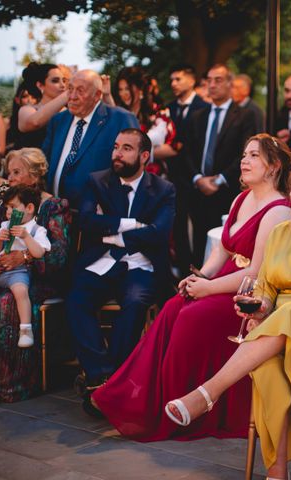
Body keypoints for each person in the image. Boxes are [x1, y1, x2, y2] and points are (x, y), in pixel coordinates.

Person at [163, 158, 291, 480]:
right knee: (268, 367)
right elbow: (266, 285)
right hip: (283, 325)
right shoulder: (281, 232)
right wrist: (261, 306)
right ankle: (277, 473)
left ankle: (208, 392)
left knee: (289, 314)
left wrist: (274, 319)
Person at [91, 134, 291, 440]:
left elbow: (256, 271)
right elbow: (222, 251)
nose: (244, 160)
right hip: (223, 280)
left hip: (248, 295)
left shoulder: (278, 210)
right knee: (173, 307)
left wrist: (209, 289)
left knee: (190, 317)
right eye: (244, 154)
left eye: (254, 155)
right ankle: (147, 401)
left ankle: (186, 411)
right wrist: (200, 276)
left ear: (274, 166)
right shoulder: (241, 198)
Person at [66, 129, 175, 414]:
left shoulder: (164, 189)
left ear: (144, 156)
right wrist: (134, 226)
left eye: (126, 148)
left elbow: (159, 234)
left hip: (141, 263)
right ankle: (101, 376)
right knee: (77, 300)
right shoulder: (97, 181)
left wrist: (112, 229)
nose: (117, 153)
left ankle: (112, 379)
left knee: (135, 303)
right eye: (116, 147)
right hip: (104, 259)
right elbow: (87, 222)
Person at [0, 148, 71, 402]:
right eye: (9, 173)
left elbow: (58, 257)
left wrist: (24, 258)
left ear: (35, 175)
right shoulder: (6, 206)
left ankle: (13, 383)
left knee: (9, 300)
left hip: (42, 278)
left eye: (17, 172)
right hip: (6, 274)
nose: (11, 178)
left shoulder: (52, 206)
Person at [183, 64, 256, 266]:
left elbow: (245, 152)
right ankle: (195, 285)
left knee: (226, 247)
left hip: (227, 190)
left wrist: (219, 179)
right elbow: (187, 151)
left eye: (218, 80)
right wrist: (198, 178)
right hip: (199, 191)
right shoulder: (198, 115)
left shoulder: (244, 115)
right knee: (198, 244)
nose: (212, 85)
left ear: (230, 84)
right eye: (209, 80)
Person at [43, 70, 140, 208]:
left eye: (80, 91)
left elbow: (134, 167)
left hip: (97, 217)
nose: (72, 96)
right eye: (70, 89)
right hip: (54, 214)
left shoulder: (120, 119)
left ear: (97, 95)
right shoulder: (58, 120)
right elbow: (44, 162)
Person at [165, 64, 209, 275]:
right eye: (172, 80)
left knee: (200, 224)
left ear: (191, 81)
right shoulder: (169, 108)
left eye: (178, 79)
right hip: (173, 176)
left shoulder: (204, 107)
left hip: (197, 174)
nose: (173, 83)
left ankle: (201, 269)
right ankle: (183, 271)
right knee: (178, 225)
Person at [0, 186, 52, 348]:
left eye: (13, 207)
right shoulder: (4, 226)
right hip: (0, 268)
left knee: (21, 291)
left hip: (17, 272)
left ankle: (25, 330)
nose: (8, 212)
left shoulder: (36, 230)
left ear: (29, 208)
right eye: (7, 207)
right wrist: (0, 239)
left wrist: (26, 237)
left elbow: (39, 252)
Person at [113, 66, 177, 173]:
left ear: (140, 89)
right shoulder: (118, 114)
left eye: (128, 88)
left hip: (153, 175)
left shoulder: (158, 113)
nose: (124, 93)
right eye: (121, 89)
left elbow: (173, 147)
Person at [16, 63, 68, 149]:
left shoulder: (70, 111)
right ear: (40, 85)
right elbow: (34, 122)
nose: (63, 85)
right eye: (55, 81)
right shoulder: (27, 110)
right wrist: (67, 94)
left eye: (64, 80)